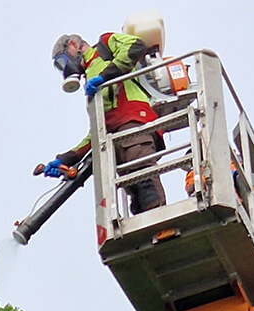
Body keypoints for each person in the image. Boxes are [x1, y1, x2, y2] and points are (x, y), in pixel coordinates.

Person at [42, 32, 166, 214]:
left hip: (132, 121)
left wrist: (105, 76)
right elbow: (97, 131)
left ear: (74, 44)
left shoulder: (104, 46)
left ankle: (161, 222)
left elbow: (135, 46)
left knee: (143, 175)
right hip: (114, 137)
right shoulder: (89, 80)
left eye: (63, 61)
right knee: (133, 190)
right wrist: (65, 159)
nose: (65, 68)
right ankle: (151, 230)